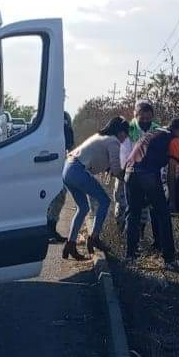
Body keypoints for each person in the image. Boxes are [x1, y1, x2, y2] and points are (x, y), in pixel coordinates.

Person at [124, 117, 179, 268]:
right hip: (147, 174)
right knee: (163, 215)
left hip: (130, 172)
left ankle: (130, 256)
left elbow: (178, 159)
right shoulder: (173, 139)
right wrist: (172, 201)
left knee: (134, 214)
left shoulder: (154, 132)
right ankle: (169, 259)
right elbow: (172, 171)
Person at [61, 116, 129, 261]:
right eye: (126, 133)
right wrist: (130, 180)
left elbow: (103, 162)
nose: (126, 137)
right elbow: (117, 170)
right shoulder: (113, 141)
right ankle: (94, 237)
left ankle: (70, 244)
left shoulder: (101, 137)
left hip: (68, 168)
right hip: (78, 170)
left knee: (83, 208)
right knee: (104, 201)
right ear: (120, 131)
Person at [115, 100, 160, 229]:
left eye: (148, 118)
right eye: (142, 118)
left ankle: (138, 236)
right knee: (123, 205)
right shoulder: (128, 129)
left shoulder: (156, 129)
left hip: (146, 175)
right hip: (126, 172)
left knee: (144, 208)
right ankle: (120, 231)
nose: (145, 121)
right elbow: (121, 153)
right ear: (135, 115)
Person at [47, 112, 76, 243]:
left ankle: (51, 229)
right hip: (47, 162)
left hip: (59, 161)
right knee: (52, 197)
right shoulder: (46, 116)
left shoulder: (64, 116)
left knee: (59, 196)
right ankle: (47, 231)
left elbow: (70, 144)